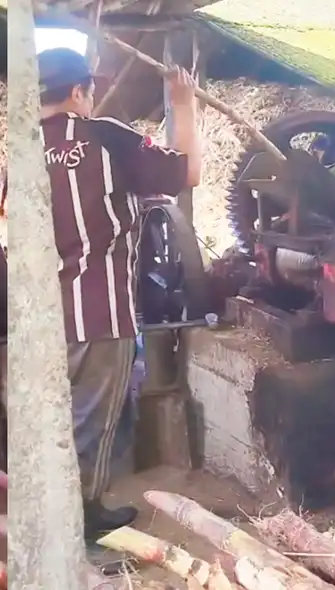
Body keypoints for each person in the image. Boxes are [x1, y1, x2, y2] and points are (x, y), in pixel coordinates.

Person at [34, 47, 202, 539]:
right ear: (77, 92)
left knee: (53, 420)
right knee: (91, 422)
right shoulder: (105, 137)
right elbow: (188, 173)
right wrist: (184, 103)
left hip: (40, 316)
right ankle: (79, 524)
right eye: (89, 93)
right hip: (99, 313)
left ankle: (47, 513)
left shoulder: (21, 151)